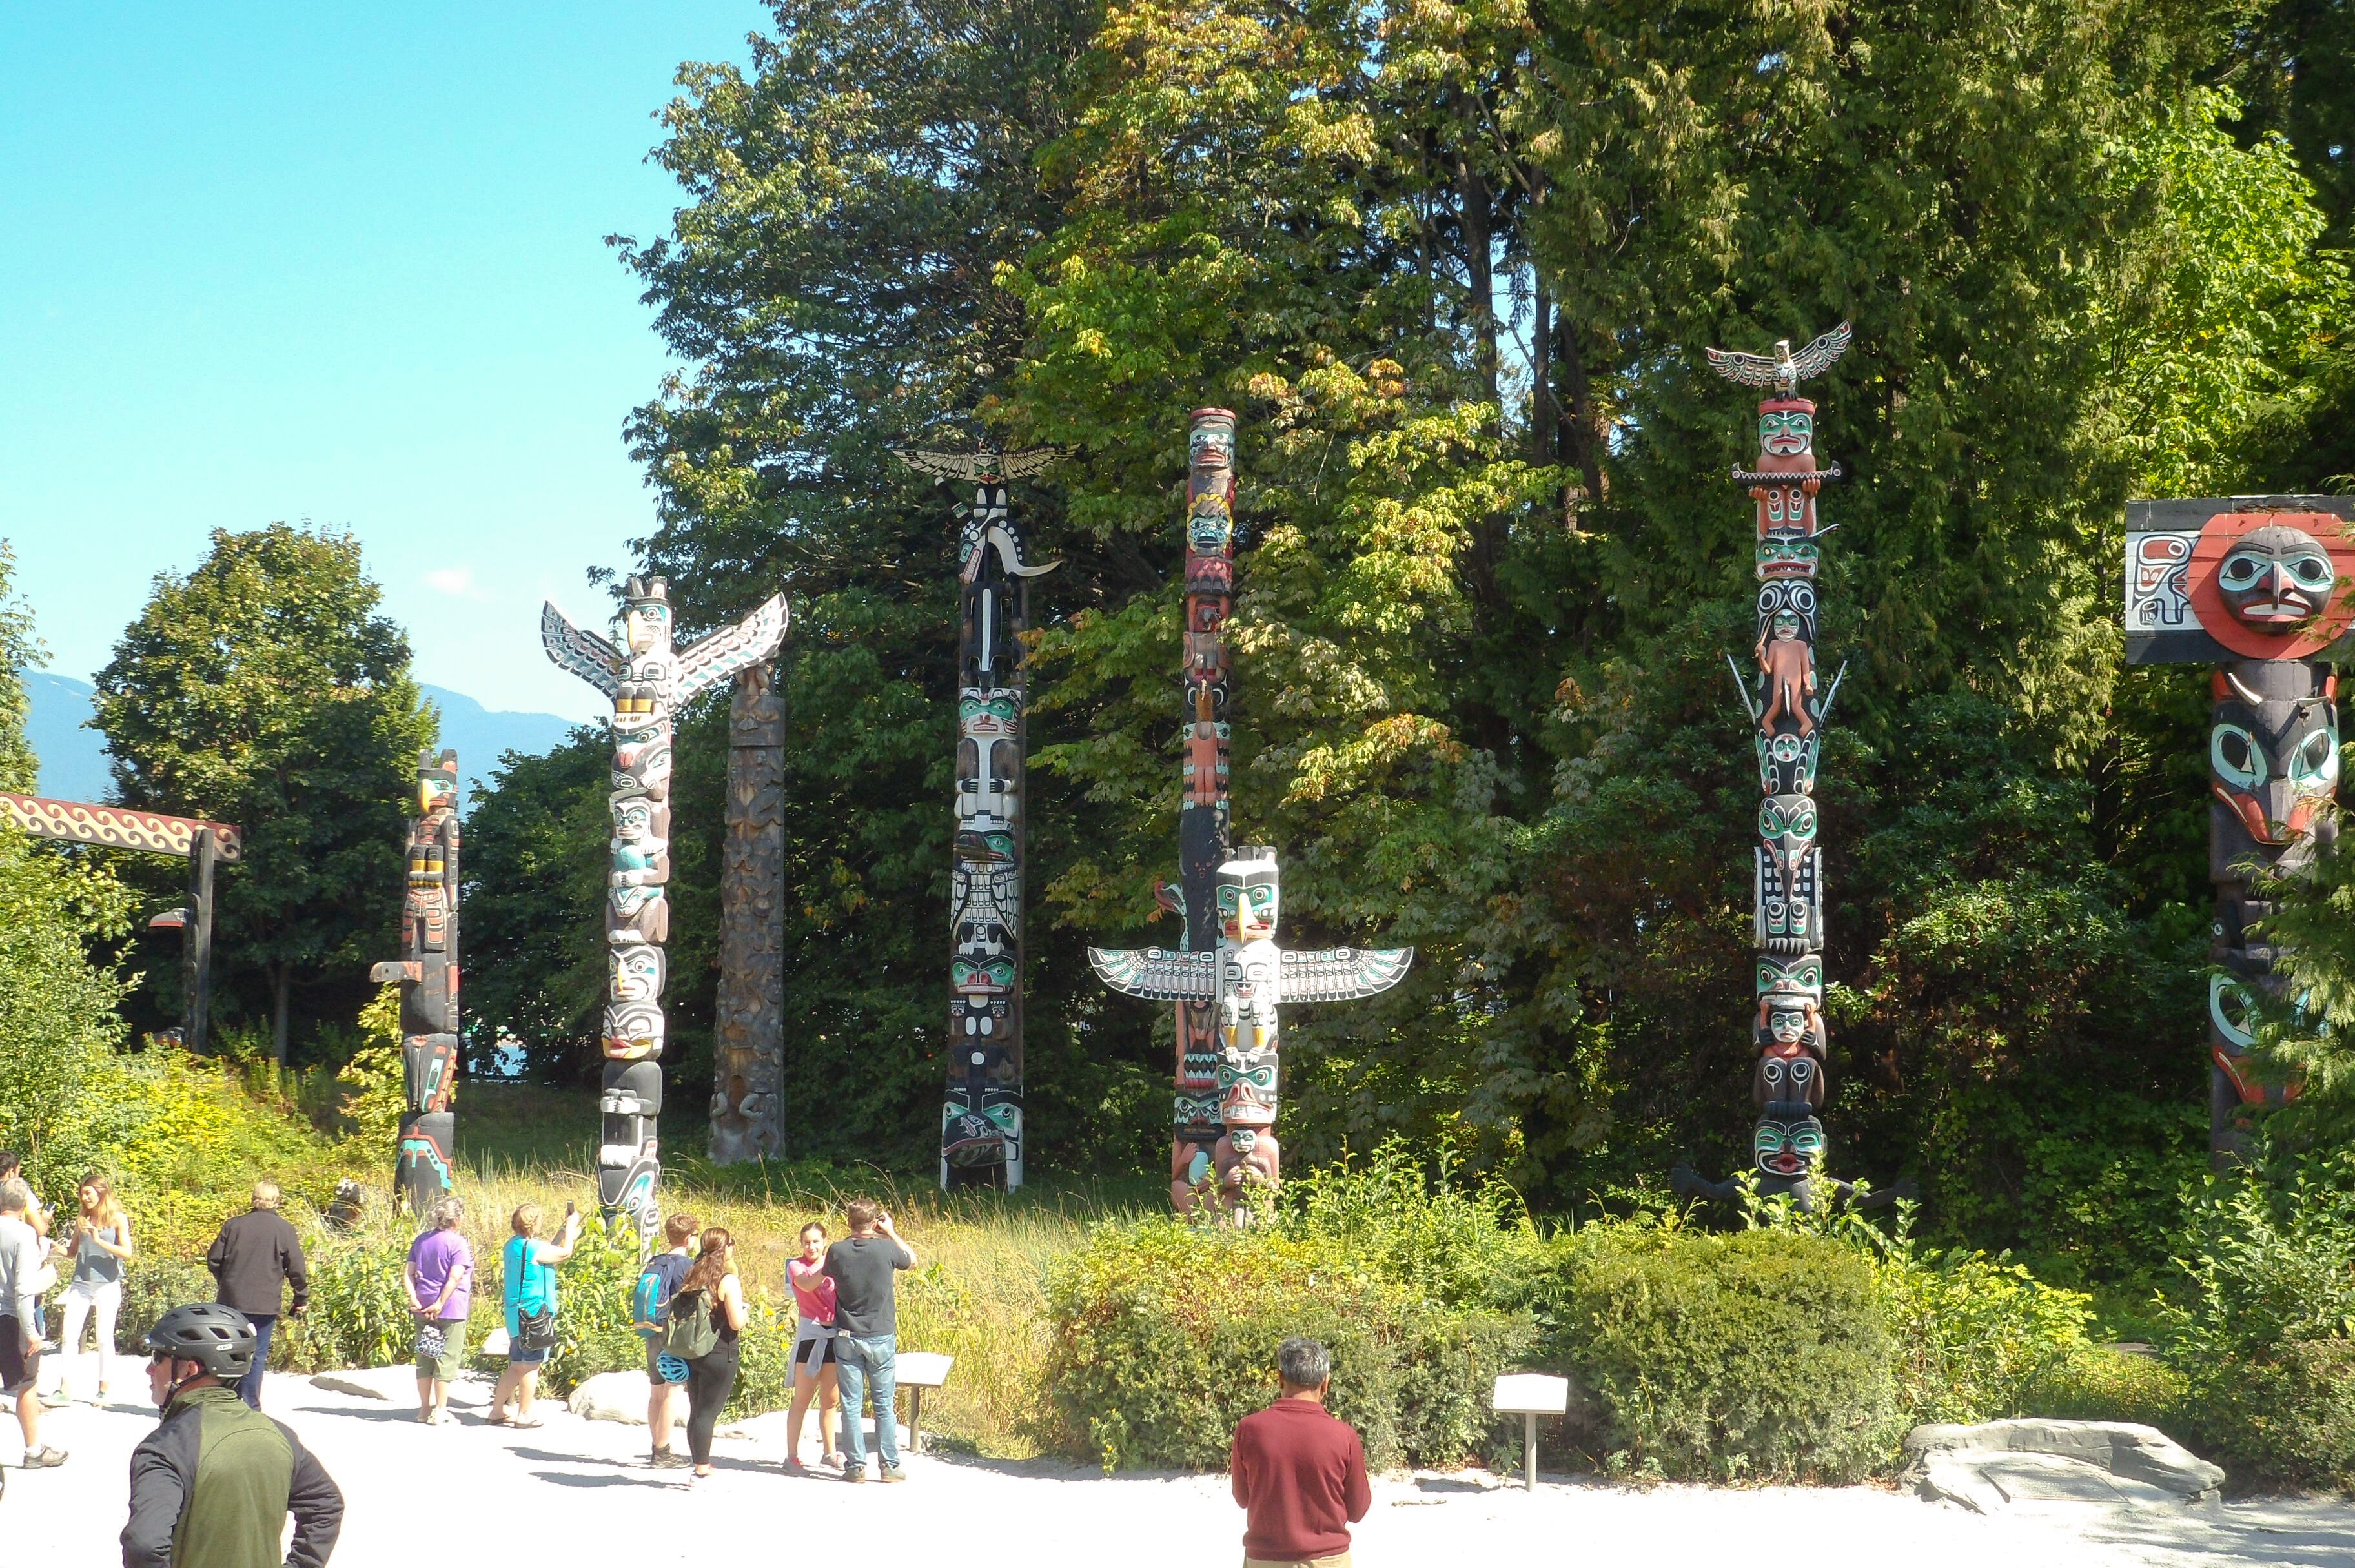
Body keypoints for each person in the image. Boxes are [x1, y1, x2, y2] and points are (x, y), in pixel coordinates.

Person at [124, 1302, 343, 1568]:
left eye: (158, 1358)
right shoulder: (279, 1435)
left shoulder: (164, 1448)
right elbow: (326, 1505)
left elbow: (144, 1544)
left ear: (189, 1370)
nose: (150, 1369)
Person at [1229, 1338, 1371, 1568]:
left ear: (1280, 1378)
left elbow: (1243, 1498)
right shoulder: (1344, 1436)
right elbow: (1357, 1510)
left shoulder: (1249, 1429)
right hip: (1328, 1559)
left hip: (1265, 1559)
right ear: (1326, 1383)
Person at [822, 1197, 915, 1483]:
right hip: (881, 1334)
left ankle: (855, 1466)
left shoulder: (837, 1251)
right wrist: (891, 1232)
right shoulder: (888, 1248)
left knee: (851, 1403)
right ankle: (889, 1465)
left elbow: (827, 1277)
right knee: (884, 1402)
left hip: (847, 1335)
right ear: (875, 1222)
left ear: (849, 1222)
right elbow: (912, 1260)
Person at [203, 1181, 309, 1410]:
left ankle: (226, 1401)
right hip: (265, 1303)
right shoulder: (284, 1229)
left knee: (229, 1350)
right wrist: (301, 1296)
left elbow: (213, 1260)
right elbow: (296, 1268)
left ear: (253, 1198)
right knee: (257, 1355)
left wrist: (225, 1282)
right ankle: (250, 1405)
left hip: (231, 1301)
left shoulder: (233, 1226)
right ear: (277, 1201)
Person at [489, 1201, 580, 1427]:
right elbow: (564, 1253)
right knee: (531, 1365)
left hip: (514, 1314)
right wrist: (571, 1229)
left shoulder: (513, 1245)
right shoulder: (534, 1248)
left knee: (516, 1364)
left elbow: (544, 1250)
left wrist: (562, 1231)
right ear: (534, 1224)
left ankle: (497, 1411)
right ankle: (524, 1414)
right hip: (533, 1314)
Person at [671, 1226, 748, 1480]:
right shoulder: (727, 1280)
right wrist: (745, 1312)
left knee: (697, 1409)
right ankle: (701, 1469)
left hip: (693, 1351)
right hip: (721, 1351)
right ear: (725, 1248)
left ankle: (697, 1462)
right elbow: (736, 1322)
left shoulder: (693, 1275)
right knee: (708, 1413)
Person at [0, 1181, 64, 1467]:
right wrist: (32, 1333)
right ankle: (34, 1451)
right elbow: (24, 1289)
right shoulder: (22, 1234)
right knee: (27, 1385)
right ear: (23, 1205)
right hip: (12, 1317)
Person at [57, 1174, 134, 1405]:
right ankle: (64, 1388)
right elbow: (72, 1253)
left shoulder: (117, 1218)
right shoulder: (81, 1219)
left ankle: (103, 1389)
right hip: (81, 1282)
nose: (84, 1198)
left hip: (108, 1284)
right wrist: (52, 1247)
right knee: (68, 1336)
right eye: (82, 1194)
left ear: (102, 1193)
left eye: (88, 1193)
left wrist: (99, 1240)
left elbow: (127, 1253)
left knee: (103, 1337)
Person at [635, 1211, 698, 1467]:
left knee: (656, 1392)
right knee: (672, 1392)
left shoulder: (655, 1261)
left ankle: (657, 1446)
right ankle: (662, 1453)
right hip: (672, 1334)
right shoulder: (686, 1265)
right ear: (688, 1238)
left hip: (651, 1329)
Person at [403, 1196, 473, 1425]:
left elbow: (408, 1273)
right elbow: (455, 1276)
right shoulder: (458, 1243)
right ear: (457, 1218)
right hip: (450, 1309)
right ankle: (440, 1410)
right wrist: (441, 1302)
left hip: (422, 1306)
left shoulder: (421, 1240)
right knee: (446, 1357)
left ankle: (424, 1409)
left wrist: (414, 1298)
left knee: (425, 1357)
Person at [783, 1219, 844, 1476]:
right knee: (802, 1399)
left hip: (835, 1334)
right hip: (811, 1336)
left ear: (825, 1242)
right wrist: (829, 1266)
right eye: (807, 1242)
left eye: (816, 1241)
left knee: (831, 1400)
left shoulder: (834, 1266)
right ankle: (792, 1456)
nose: (811, 1246)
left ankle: (829, 1452)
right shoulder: (797, 1266)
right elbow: (807, 1285)